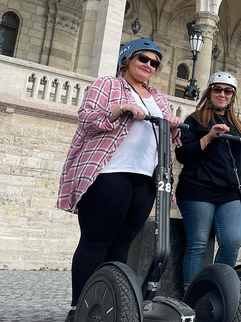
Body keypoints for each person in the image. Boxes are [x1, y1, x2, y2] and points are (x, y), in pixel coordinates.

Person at [57, 39, 182, 322]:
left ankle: (109, 302)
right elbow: (87, 119)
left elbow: (168, 138)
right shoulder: (107, 85)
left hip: (146, 177)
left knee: (122, 243)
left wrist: (173, 127)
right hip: (109, 171)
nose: (149, 65)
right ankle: (79, 308)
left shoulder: (160, 98)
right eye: (143, 59)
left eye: (154, 63)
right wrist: (120, 109)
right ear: (127, 59)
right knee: (96, 241)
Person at [176, 72, 241, 288]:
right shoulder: (195, 120)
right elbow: (183, 155)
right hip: (198, 189)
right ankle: (192, 291)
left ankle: (218, 287)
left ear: (233, 96)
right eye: (217, 89)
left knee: (232, 242)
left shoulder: (235, 125)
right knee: (198, 244)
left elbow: (238, 161)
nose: (222, 94)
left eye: (227, 91)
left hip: (229, 191)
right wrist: (208, 137)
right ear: (210, 92)